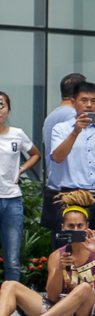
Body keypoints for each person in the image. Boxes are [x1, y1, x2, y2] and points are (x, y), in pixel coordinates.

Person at [3, 189, 95, 316]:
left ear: (87, 226)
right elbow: (52, 296)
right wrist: (59, 269)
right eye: (71, 226)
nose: (75, 230)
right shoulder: (57, 255)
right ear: (63, 228)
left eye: (80, 226)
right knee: (9, 285)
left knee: (84, 288)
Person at [50, 81, 95, 241]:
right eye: (84, 100)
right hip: (73, 196)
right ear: (73, 102)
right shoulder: (61, 128)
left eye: (93, 101)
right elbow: (58, 158)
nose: (89, 105)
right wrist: (75, 132)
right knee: (72, 246)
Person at [0, 92, 39, 281]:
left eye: (1, 106)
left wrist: (21, 170)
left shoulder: (17, 134)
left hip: (12, 200)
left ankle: (12, 303)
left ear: (8, 109)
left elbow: (35, 154)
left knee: (12, 259)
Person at [41, 73, 84, 232]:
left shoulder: (51, 116)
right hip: (70, 189)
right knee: (77, 244)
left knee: (59, 245)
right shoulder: (74, 117)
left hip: (53, 186)